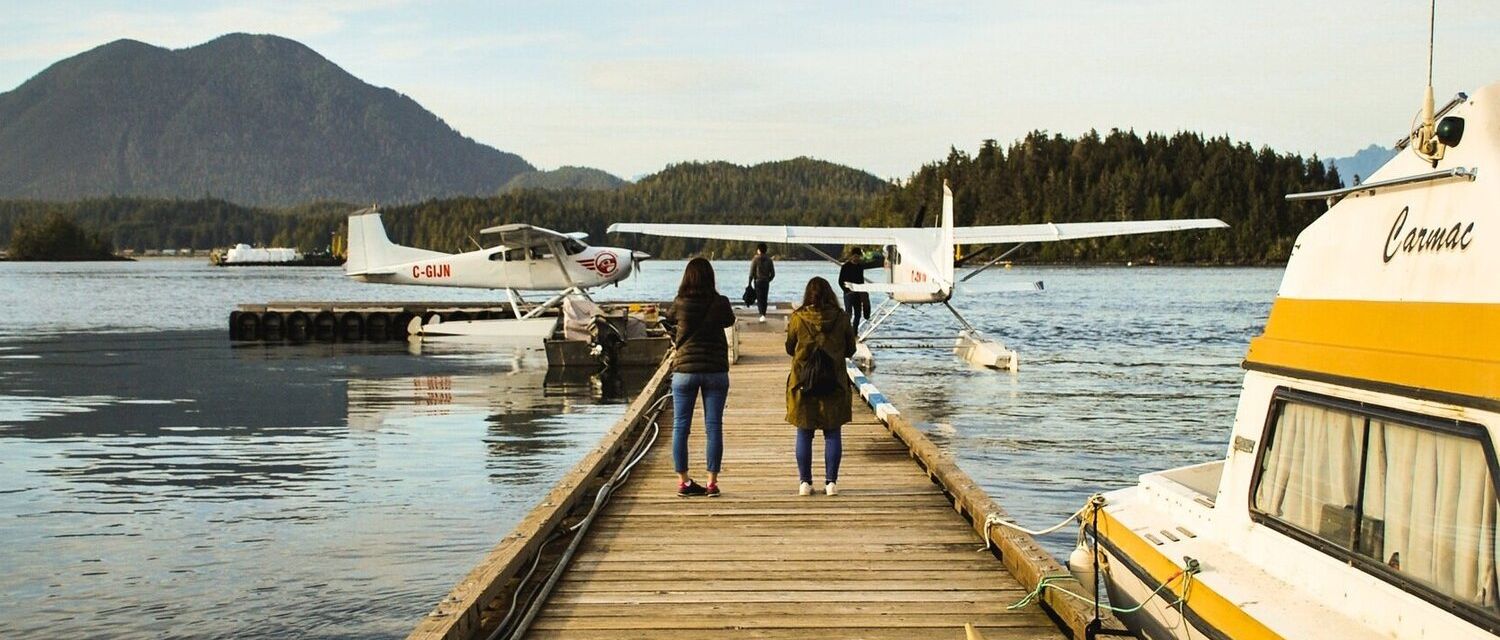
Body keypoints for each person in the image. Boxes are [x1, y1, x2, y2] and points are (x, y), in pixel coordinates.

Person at [669, 257, 736, 497]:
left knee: (680, 427)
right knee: (714, 427)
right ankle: (711, 483)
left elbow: (668, 321)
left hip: (685, 371)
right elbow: (730, 320)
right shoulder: (720, 302)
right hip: (716, 371)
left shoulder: (679, 302)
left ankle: (684, 482)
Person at [784, 277, 857, 496]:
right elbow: (851, 349)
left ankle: (805, 483)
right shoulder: (842, 318)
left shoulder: (798, 318)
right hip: (833, 382)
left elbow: (789, 348)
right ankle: (831, 483)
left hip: (803, 383)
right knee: (833, 433)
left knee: (804, 433)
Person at [837, 247, 882, 333]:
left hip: (858, 293)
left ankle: (855, 331)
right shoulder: (845, 267)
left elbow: (861, 280)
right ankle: (847, 331)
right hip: (848, 293)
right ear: (852, 256)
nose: (857, 258)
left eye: (858, 256)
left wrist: (862, 291)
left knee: (858, 314)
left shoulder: (860, 267)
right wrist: (846, 290)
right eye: (855, 256)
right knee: (848, 313)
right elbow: (840, 281)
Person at [748, 243, 775, 322]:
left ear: (759, 250)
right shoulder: (769, 260)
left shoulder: (755, 259)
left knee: (759, 298)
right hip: (766, 281)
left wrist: (749, 283)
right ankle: (764, 313)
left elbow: (751, 272)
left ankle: (761, 314)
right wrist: (768, 280)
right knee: (764, 298)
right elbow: (773, 274)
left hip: (758, 281)